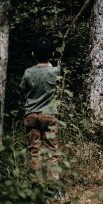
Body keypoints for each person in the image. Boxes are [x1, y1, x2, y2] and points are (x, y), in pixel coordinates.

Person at [20, 37, 61, 180]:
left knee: (34, 151)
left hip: (31, 115)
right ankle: (53, 187)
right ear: (52, 54)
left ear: (33, 54)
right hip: (49, 115)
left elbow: (23, 90)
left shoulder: (28, 72)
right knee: (51, 151)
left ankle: (35, 185)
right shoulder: (55, 72)